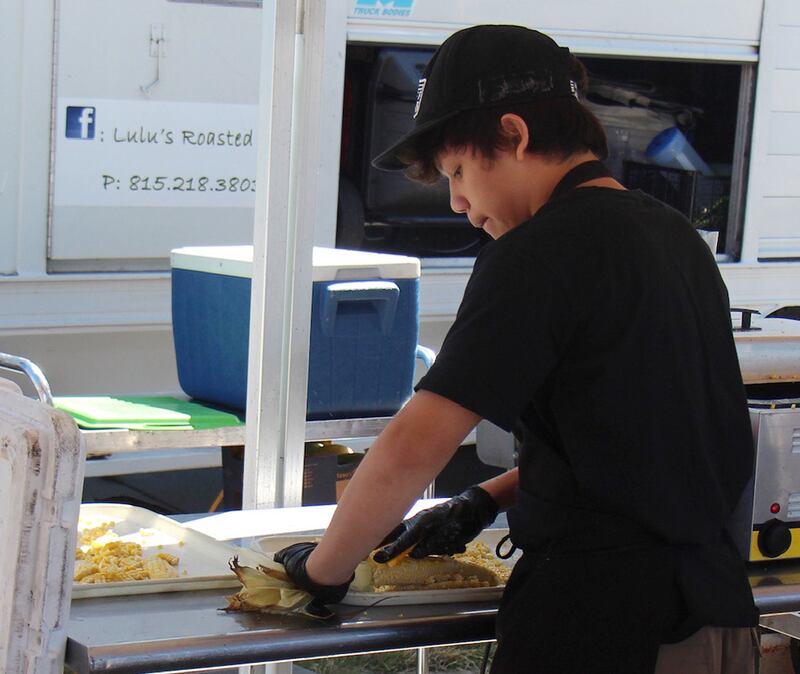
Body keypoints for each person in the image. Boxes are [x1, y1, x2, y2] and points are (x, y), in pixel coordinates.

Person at [275, 24, 759, 673]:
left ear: (513, 135)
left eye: (457, 172)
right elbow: (639, 440)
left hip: (601, 629)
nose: (460, 205)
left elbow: (417, 442)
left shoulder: (538, 252)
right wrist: (487, 497)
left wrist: (323, 571)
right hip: (717, 622)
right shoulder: (675, 239)